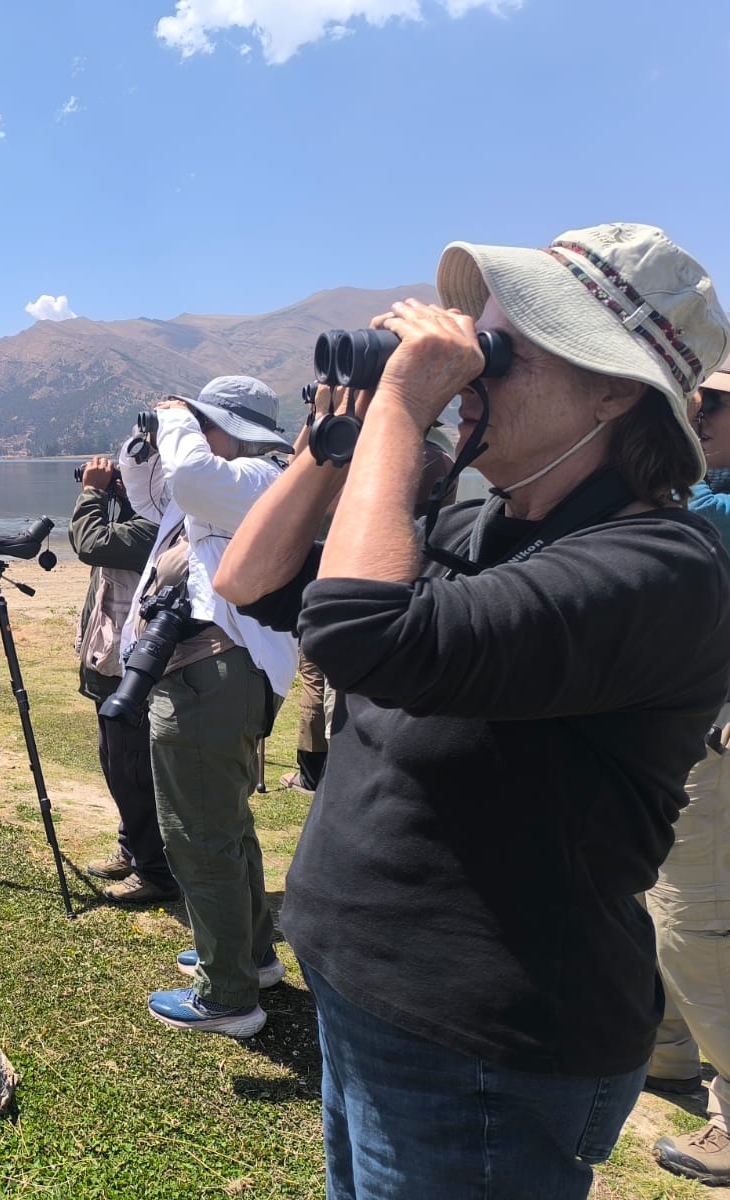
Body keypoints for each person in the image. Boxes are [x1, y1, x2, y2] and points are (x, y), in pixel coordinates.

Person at [213, 223, 730, 1199]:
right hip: (364, 990)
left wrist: (404, 404)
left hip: (485, 1043)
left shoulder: (659, 567)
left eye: (500, 351)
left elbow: (361, 633)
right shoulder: (474, 519)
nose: (467, 372)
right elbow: (250, 582)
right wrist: (336, 441)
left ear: (615, 392)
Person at [117, 376, 298, 1038]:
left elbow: (190, 478)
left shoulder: (256, 477)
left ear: (228, 428)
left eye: (201, 421)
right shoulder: (233, 485)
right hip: (215, 676)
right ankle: (249, 955)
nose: (189, 430)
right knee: (226, 825)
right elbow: (153, 495)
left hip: (212, 678)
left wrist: (174, 418)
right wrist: (145, 441)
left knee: (198, 835)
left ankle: (227, 995)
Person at [280, 415, 457, 795]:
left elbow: (317, 504)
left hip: (357, 583)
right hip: (391, 584)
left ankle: (319, 773)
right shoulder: (437, 458)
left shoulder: (390, 459)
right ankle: (325, 772)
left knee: (324, 684)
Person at [652, 364, 730, 1184]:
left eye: (714, 404)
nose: (700, 415)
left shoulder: (714, 507)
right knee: (659, 895)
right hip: (695, 728)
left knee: (694, 914)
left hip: (718, 739)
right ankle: (668, 1049)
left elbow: (684, 508)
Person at [70, 450, 177, 904]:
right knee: (117, 766)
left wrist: (92, 493)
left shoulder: (156, 527)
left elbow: (89, 542)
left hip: (130, 669)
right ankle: (133, 849)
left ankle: (155, 871)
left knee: (133, 772)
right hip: (111, 665)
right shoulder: (137, 522)